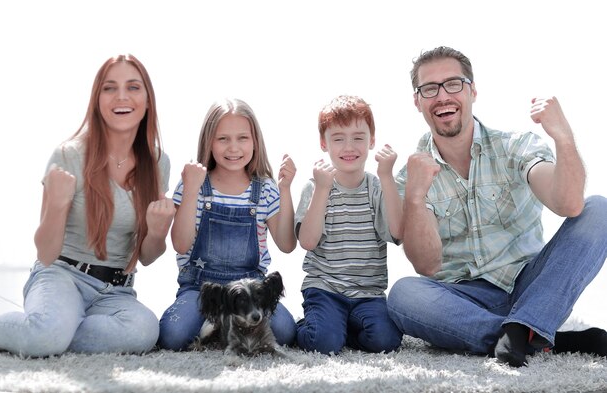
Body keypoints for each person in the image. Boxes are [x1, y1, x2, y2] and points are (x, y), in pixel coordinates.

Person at [386, 46, 607, 367]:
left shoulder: (515, 146)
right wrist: (417, 197)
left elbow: (569, 205)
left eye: (453, 84)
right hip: (463, 300)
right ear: (417, 101)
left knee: (598, 209)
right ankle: (537, 335)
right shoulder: (411, 176)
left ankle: (524, 325)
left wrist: (563, 137)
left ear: (472, 90)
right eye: (429, 88)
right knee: (403, 295)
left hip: (531, 285)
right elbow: (427, 266)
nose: (442, 95)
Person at [0, 54, 175, 357]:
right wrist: (57, 206)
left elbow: (147, 257)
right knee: (46, 336)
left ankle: (52, 328)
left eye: (133, 87)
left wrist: (158, 233)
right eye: (110, 88)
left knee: (144, 331)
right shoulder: (68, 156)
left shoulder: (158, 163)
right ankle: (14, 328)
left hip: (117, 290)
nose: (122, 96)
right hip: (61, 276)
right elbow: (45, 254)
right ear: (97, 100)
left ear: (148, 100)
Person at [157, 98, 298, 350]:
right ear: (208, 142)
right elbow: (180, 244)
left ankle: (221, 326)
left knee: (286, 332)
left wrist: (285, 189)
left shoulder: (264, 188)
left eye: (242, 138)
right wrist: (190, 190)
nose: (233, 147)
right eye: (223, 139)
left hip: (251, 292)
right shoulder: (195, 185)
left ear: (255, 141)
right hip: (200, 289)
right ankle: (221, 322)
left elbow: (287, 244)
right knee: (172, 336)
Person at [295, 95, 403, 355]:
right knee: (323, 342)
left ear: (371, 140)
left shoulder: (377, 186)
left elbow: (398, 232)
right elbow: (307, 242)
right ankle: (311, 325)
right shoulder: (314, 186)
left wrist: (387, 176)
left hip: (368, 292)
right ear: (324, 143)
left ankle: (342, 329)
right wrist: (322, 189)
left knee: (386, 340)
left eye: (358, 137)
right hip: (325, 288)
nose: (349, 146)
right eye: (338, 138)